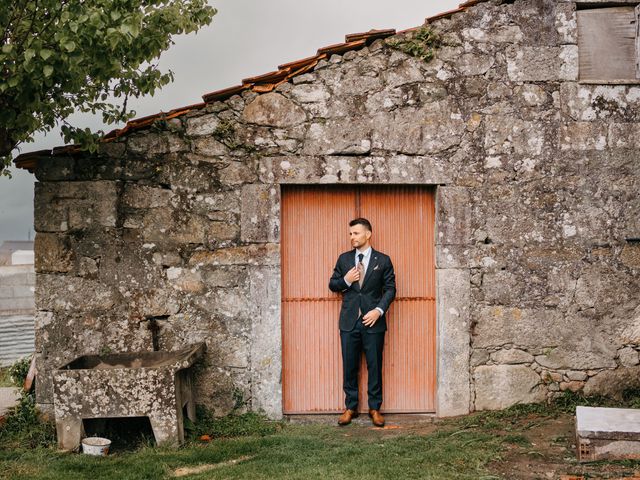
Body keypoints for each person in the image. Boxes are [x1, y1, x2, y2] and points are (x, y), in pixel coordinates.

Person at [328, 218, 396, 427]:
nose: (352, 237)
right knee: (349, 366)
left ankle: (375, 408)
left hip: (373, 323)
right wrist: (347, 280)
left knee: (374, 366)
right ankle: (351, 407)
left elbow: (391, 289)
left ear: (368, 234)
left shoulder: (383, 260)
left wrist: (378, 311)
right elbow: (333, 285)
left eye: (356, 233)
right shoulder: (344, 259)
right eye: (350, 234)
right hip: (349, 322)